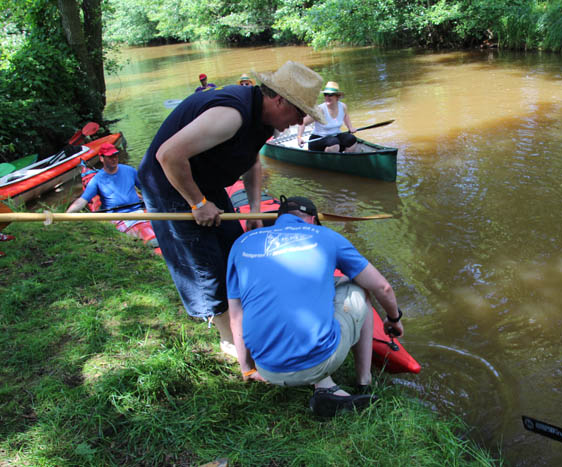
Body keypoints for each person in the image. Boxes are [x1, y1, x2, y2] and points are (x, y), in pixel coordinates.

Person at [137, 61, 325, 360]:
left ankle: (242, 317)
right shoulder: (230, 115)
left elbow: (251, 162)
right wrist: (197, 203)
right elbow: (168, 156)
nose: (300, 120)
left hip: (202, 179)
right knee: (204, 259)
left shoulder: (264, 119)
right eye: (299, 111)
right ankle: (227, 339)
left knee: (233, 247)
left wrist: (252, 211)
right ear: (279, 100)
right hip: (168, 181)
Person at [226, 196, 405, 417]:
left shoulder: (241, 243)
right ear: (312, 220)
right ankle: (364, 382)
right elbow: (383, 288)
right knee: (361, 287)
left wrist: (247, 369)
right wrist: (394, 318)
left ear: (278, 218)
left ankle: (326, 389)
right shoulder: (327, 236)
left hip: (267, 369)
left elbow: (235, 315)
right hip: (318, 361)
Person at [67, 143, 157, 246]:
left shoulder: (130, 170)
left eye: (115, 155)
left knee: (158, 230)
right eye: (110, 156)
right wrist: (66, 216)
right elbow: (82, 201)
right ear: (101, 158)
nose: (114, 159)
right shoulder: (97, 180)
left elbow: (147, 189)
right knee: (147, 238)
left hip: (139, 211)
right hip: (117, 217)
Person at [297, 81, 358, 153]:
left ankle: (347, 160)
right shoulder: (320, 110)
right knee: (334, 143)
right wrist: (299, 137)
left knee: (352, 139)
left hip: (335, 136)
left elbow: (345, 116)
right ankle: (330, 161)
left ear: (337, 97)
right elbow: (303, 122)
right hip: (318, 139)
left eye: (330, 95)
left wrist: (350, 127)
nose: (327, 97)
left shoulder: (343, 106)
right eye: (325, 94)